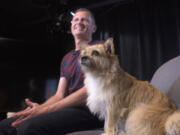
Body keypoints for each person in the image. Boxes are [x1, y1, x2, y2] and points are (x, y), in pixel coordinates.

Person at [0, 8, 104, 135]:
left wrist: (45, 110)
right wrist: (40, 108)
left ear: (94, 28)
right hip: (69, 109)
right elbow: (59, 95)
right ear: (71, 26)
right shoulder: (67, 58)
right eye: (75, 19)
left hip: (91, 111)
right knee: (5, 125)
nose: (79, 22)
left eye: (84, 20)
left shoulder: (99, 48)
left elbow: (90, 90)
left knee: (28, 127)